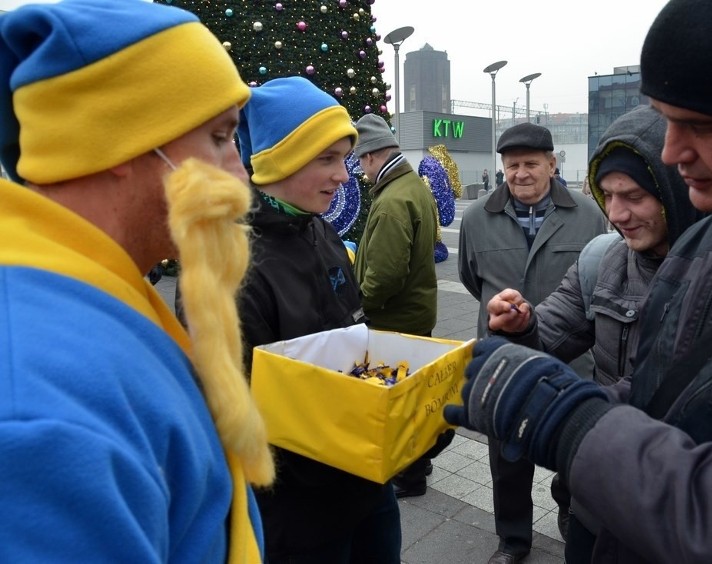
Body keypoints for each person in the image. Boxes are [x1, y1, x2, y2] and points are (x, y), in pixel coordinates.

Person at [445, 0, 712, 562]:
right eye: (666, 118)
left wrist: (574, 424)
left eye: (703, 125)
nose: (672, 152)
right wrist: (539, 376)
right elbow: (666, 392)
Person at [0, 0, 275, 561]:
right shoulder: (39, 414)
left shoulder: (101, 285)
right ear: (119, 142)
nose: (239, 173)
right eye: (221, 138)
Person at [485, 105, 703, 563]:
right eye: (608, 195)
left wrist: (569, 420)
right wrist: (522, 324)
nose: (618, 214)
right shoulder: (602, 260)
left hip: (678, 510)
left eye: (635, 196)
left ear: (675, 189)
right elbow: (547, 334)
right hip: (596, 498)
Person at [231, 76, 400, 563]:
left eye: (344, 159)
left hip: (366, 481)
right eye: (326, 159)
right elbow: (245, 411)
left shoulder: (321, 230)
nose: (344, 177)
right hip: (301, 509)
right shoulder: (234, 264)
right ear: (279, 159)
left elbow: (354, 343)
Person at [457, 122, 606, 564]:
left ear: (552, 164)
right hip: (504, 363)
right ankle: (513, 540)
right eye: (511, 165)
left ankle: (567, 504)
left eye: (530, 164)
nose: (520, 174)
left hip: (571, 362)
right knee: (507, 459)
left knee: (574, 448)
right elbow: (471, 279)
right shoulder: (477, 217)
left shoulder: (587, 214)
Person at [353, 113, 440, 498]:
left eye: (359, 160)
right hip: (415, 313)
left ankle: (410, 475)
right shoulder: (411, 187)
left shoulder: (391, 200)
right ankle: (420, 461)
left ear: (372, 155)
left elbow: (385, 274)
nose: (359, 169)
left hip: (394, 319)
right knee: (412, 394)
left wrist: (361, 306)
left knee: (398, 399)